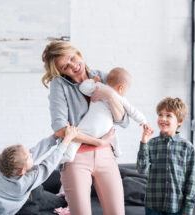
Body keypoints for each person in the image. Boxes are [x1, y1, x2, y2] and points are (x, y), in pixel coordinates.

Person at [42, 41, 128, 215]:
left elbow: (122, 120)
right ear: (60, 71)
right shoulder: (59, 86)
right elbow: (60, 129)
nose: (74, 66)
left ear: (78, 53)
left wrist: (110, 95)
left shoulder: (103, 77)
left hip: (106, 156)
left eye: (73, 58)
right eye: (66, 66)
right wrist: (97, 141)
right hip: (76, 159)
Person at [0, 126, 78, 215]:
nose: (31, 155)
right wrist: (66, 141)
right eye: (29, 157)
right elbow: (48, 165)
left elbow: (35, 151)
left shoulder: (5, 171)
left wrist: (54, 137)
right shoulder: (24, 182)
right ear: (22, 171)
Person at [62, 67, 148, 163]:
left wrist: (93, 80)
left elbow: (83, 88)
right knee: (112, 133)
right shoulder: (120, 97)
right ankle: (117, 151)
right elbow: (133, 111)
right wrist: (143, 121)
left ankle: (68, 155)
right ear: (121, 88)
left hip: (91, 125)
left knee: (75, 138)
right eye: (127, 90)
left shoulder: (98, 87)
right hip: (106, 128)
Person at [137, 97, 195, 215]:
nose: (163, 119)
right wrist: (144, 141)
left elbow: (191, 181)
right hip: (153, 205)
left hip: (176, 206)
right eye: (160, 115)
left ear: (179, 121)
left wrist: (188, 209)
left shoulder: (187, 147)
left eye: (169, 115)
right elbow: (142, 170)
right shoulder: (151, 144)